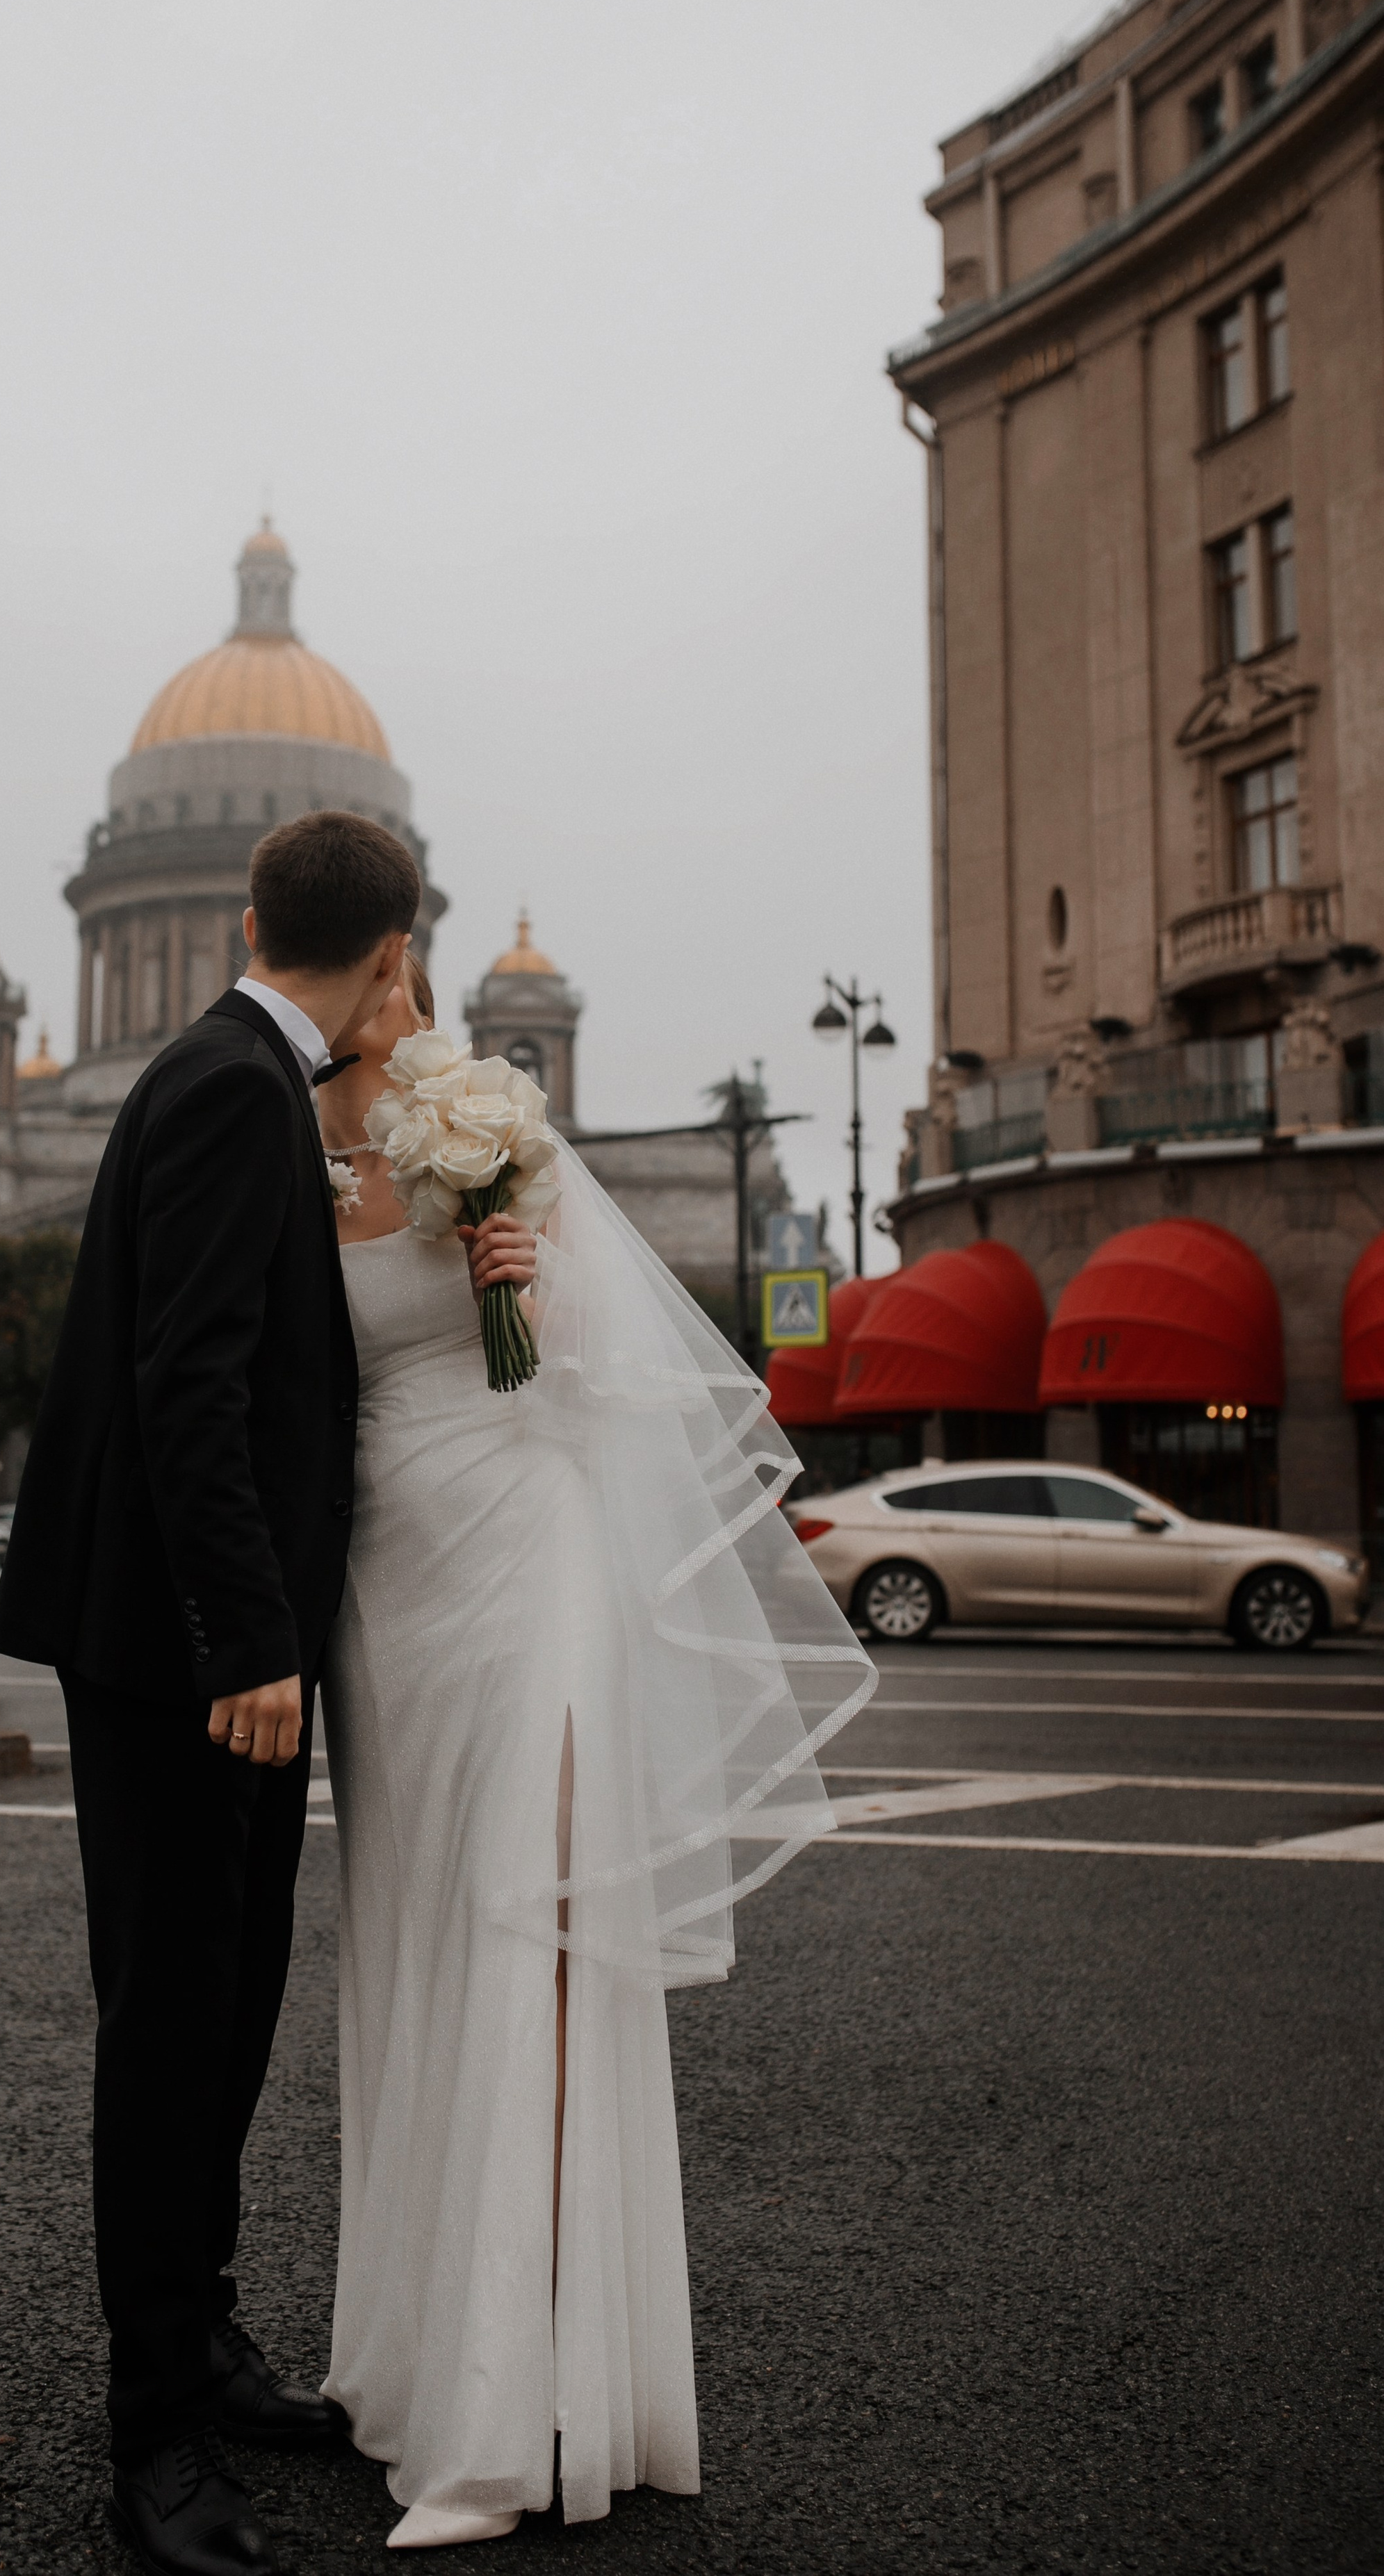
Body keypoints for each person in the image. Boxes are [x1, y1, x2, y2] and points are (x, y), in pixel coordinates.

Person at [0, 814, 514, 2576]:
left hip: (190, 1641)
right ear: (394, 955)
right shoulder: (232, 1093)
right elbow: (188, 1389)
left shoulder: (225, 1072)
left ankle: (200, 2347)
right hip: (180, 1654)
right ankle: (156, 2436)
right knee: (171, 2032)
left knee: (223, 2008)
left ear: (237, 917)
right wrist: (253, 1647)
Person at [315, 963, 877, 2548]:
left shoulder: (489, 1124)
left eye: (397, 981)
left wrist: (526, 1277)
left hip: (526, 1536)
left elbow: (595, 1363)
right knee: (414, 1941)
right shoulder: (286, 1144)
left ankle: (498, 2433)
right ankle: (418, 2369)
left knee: (527, 1929)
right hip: (386, 1574)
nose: (383, 1005)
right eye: (372, 978)